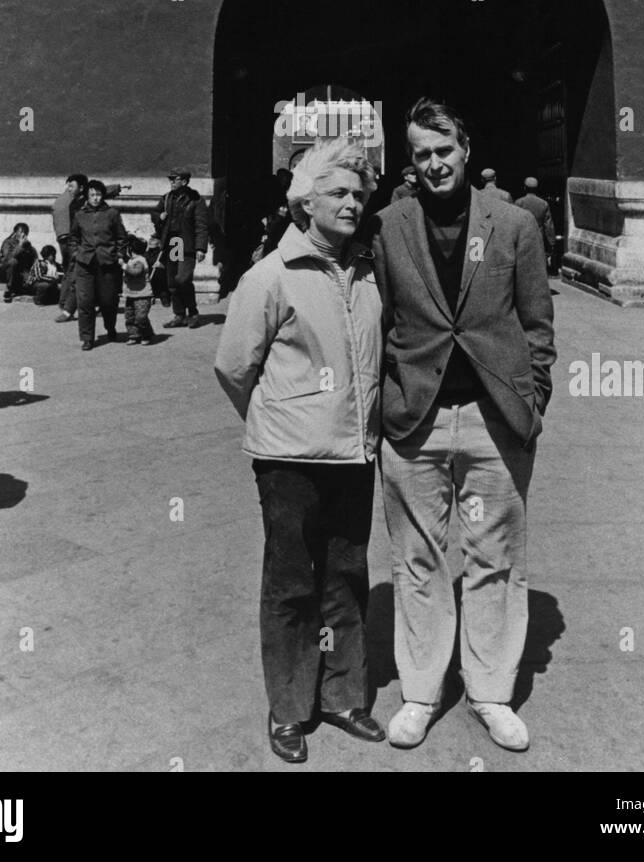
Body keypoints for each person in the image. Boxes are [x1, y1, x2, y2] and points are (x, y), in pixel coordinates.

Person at [369, 98, 555, 751]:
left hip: (493, 418)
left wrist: (533, 398)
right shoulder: (389, 225)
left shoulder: (512, 225)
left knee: (492, 558)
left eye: (442, 150)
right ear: (409, 161)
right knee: (415, 560)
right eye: (420, 154)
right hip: (413, 419)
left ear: (465, 149)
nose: (433, 163)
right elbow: (381, 321)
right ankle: (420, 694)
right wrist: (382, 401)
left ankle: (489, 693)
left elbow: (536, 324)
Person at [214, 138, 386, 763]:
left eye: (360, 194)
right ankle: (289, 708)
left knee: (346, 577)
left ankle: (344, 697)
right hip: (289, 462)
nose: (352, 204)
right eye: (338, 193)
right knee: (290, 583)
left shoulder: (366, 272)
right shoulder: (269, 277)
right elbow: (234, 368)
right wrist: (283, 426)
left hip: (354, 457)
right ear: (303, 201)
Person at [71, 180, 127, 351]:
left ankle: (110, 327)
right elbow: (73, 238)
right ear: (87, 197)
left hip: (107, 263)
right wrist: (76, 253)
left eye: (98, 195)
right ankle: (87, 338)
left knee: (108, 301)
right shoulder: (79, 215)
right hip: (85, 265)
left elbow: (121, 238)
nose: (95, 198)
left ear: (103, 195)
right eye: (92, 195)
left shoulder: (112, 214)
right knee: (85, 302)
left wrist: (119, 255)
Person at [150, 170, 209, 330]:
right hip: (173, 243)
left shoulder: (196, 200)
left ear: (184, 181)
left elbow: (201, 225)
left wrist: (201, 248)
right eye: (170, 179)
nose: (171, 182)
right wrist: (159, 217)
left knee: (183, 279)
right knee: (173, 282)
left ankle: (193, 313)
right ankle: (179, 315)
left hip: (187, 244)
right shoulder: (167, 198)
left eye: (174, 179)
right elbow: (154, 213)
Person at [51, 173, 88, 323]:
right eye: (69, 186)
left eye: (71, 186)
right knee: (75, 273)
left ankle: (65, 305)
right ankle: (68, 308)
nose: (69, 189)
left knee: (70, 272)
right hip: (75, 243)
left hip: (65, 240)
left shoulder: (63, 201)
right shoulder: (75, 203)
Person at [122, 239, 155, 346]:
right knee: (129, 316)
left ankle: (147, 334)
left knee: (141, 317)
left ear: (131, 249)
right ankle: (134, 335)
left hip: (143, 294)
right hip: (130, 294)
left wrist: (124, 266)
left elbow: (135, 272)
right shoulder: (132, 260)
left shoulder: (140, 260)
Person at [0, 223, 37, 302]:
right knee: (13, 261)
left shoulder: (28, 245)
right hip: (5, 271)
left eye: (25, 232)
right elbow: (8, 258)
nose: (23, 234)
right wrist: (20, 245)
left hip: (20, 272)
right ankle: (9, 288)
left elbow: (33, 260)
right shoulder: (8, 242)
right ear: (15, 232)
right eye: (21, 232)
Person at [515, 177, 556, 257]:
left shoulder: (518, 203)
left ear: (525, 188)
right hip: (538, 239)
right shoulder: (543, 204)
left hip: (522, 239)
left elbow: (514, 224)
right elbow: (548, 226)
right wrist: (552, 243)